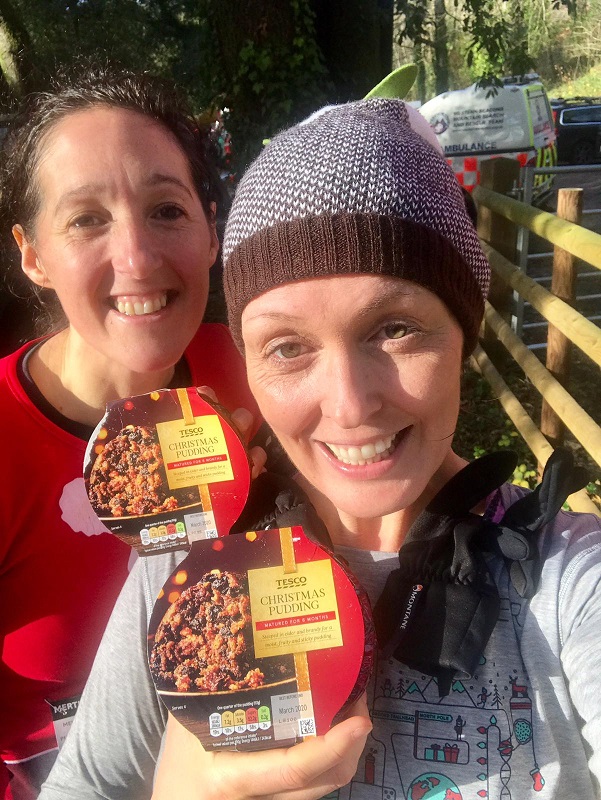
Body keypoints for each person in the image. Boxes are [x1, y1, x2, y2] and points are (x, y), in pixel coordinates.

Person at [39, 98, 601, 800]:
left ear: (465, 334)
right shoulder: (193, 572)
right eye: (287, 347)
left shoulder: (567, 580)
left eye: (395, 328)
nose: (348, 403)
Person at [0, 67, 264, 800]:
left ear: (211, 227)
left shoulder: (259, 375)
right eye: (86, 218)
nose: (138, 259)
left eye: (166, 210)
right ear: (33, 254)